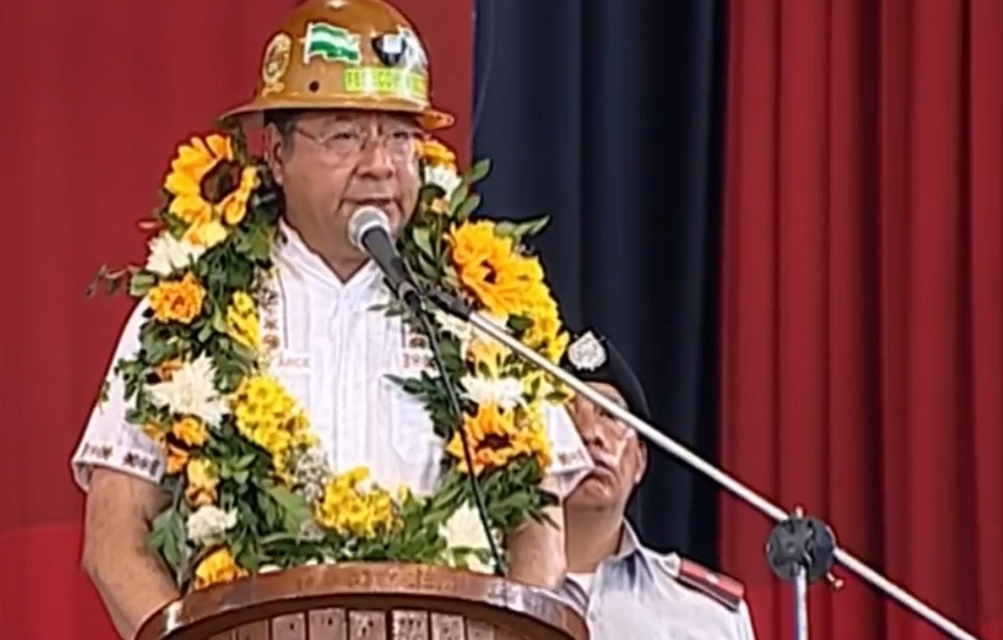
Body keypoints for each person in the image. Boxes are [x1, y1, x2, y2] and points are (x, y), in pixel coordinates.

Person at [69, 1, 590, 637]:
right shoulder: (183, 310)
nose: (380, 165)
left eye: (400, 137)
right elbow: (114, 543)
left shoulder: (481, 308)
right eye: (345, 136)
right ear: (277, 153)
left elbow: (540, 535)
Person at [557, 327, 758, 640]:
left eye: (609, 414)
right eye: (568, 414)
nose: (589, 434)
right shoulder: (485, 589)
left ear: (641, 460)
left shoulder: (707, 613)